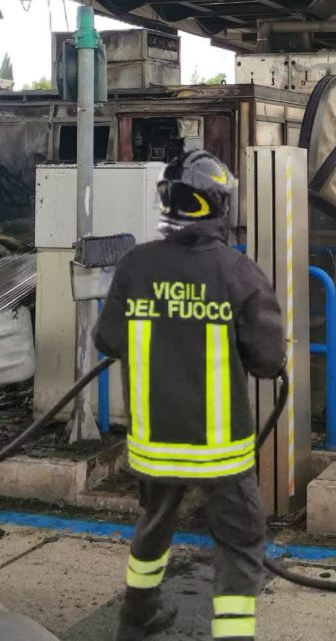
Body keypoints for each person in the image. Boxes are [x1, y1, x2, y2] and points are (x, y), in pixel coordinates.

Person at [94, 150, 285, 641]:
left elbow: (107, 341)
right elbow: (268, 361)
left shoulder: (135, 265)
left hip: (154, 445)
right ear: (219, 205)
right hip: (220, 453)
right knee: (240, 541)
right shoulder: (236, 271)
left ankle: (136, 619)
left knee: (154, 526)